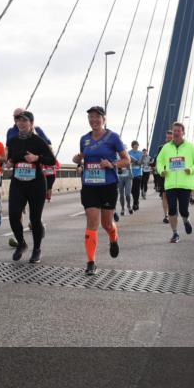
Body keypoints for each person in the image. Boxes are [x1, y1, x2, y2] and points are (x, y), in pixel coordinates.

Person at [71, 105, 129, 276]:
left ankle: (113, 237)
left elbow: (126, 160)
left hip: (108, 186)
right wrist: (77, 159)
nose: (94, 120)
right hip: (89, 186)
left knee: (106, 223)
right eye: (91, 117)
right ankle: (91, 262)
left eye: (97, 117)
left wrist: (112, 164)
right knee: (92, 222)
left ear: (104, 119)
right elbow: (82, 159)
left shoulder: (113, 137)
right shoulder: (84, 139)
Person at [5, 110, 55, 263]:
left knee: (35, 219)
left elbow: (51, 160)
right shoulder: (13, 141)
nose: (21, 123)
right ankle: (21, 243)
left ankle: (37, 249)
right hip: (18, 183)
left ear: (31, 123)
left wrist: (36, 158)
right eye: (19, 120)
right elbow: (10, 158)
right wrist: (9, 162)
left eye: (24, 120)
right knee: (13, 215)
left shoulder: (38, 141)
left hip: (36, 184)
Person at [156, 121, 194, 243]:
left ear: (183, 133)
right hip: (170, 184)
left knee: (183, 210)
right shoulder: (166, 148)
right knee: (172, 209)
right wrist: (161, 171)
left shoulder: (190, 147)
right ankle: (175, 233)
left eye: (178, 131)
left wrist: (191, 170)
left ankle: (186, 221)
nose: (176, 133)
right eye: (174, 131)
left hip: (185, 184)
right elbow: (159, 161)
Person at [151, 129, 173, 224]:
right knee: (164, 194)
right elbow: (158, 161)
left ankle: (173, 212)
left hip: (174, 175)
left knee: (173, 195)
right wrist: (159, 169)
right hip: (164, 174)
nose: (168, 140)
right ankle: (166, 215)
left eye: (170, 138)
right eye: (167, 138)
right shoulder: (161, 148)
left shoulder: (178, 148)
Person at [127, 141, 143, 212]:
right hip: (131, 174)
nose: (136, 146)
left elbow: (141, 162)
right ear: (132, 146)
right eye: (135, 145)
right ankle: (135, 201)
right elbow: (127, 162)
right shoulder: (129, 153)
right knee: (132, 190)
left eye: (137, 145)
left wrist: (139, 162)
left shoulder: (140, 153)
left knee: (137, 189)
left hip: (139, 173)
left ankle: (135, 203)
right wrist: (134, 162)